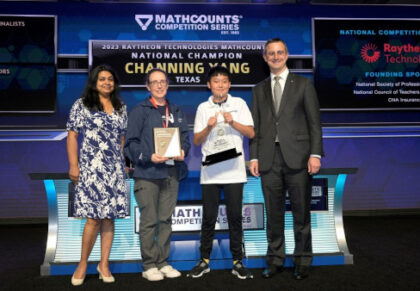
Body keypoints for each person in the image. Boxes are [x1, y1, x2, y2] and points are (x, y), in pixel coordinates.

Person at [249, 38, 323, 280]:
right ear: (265, 57)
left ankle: (302, 260)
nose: (276, 56)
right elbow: (256, 128)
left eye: (280, 52)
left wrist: (315, 153)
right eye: (271, 53)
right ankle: (275, 260)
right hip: (269, 159)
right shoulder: (258, 89)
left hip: (299, 158)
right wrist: (254, 157)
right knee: (273, 214)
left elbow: (314, 122)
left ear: (287, 54)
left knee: (301, 213)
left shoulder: (303, 85)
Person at [188, 66, 255, 280]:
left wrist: (232, 121)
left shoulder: (239, 104)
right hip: (210, 172)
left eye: (224, 81)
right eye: (216, 81)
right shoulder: (202, 107)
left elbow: (252, 132)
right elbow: (197, 141)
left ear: (229, 84)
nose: (220, 85)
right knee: (208, 218)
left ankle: (238, 261)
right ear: (209, 85)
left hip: (235, 172)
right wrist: (208, 127)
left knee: (235, 218)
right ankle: (204, 260)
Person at [124, 68, 190, 281]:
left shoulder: (177, 110)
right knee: (150, 220)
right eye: (155, 82)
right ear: (148, 86)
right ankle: (149, 265)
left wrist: (183, 151)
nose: (160, 85)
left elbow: (185, 138)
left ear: (167, 85)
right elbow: (130, 145)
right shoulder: (139, 111)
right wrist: (148, 156)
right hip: (147, 173)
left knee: (166, 220)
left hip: (171, 172)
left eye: (163, 81)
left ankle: (163, 262)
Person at [66, 64, 128, 286]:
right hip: (91, 169)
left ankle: (104, 264)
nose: (107, 83)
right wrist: (74, 165)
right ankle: (83, 263)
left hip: (114, 170)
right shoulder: (82, 105)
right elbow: (72, 136)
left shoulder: (121, 106)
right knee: (93, 218)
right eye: (102, 79)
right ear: (94, 81)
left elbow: (121, 138)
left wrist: (122, 163)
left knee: (109, 217)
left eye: (110, 79)